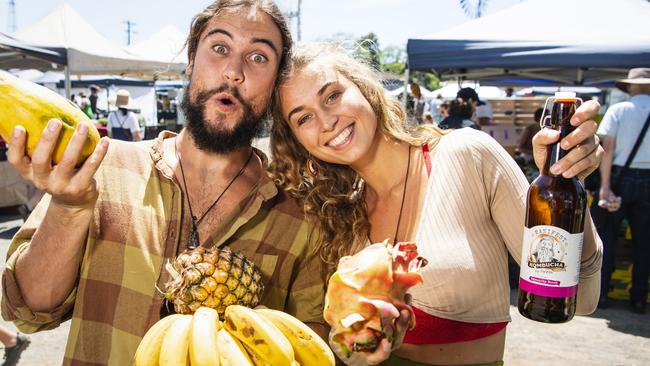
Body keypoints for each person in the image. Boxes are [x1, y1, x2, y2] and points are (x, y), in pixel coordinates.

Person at [2, 1, 328, 364]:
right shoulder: (100, 166)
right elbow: (27, 310)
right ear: (191, 60)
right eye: (219, 48)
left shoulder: (300, 216)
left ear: (275, 83)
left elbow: (312, 344)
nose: (234, 72)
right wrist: (68, 208)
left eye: (259, 58)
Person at [269, 43, 604, 365]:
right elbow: (351, 351)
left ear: (364, 88)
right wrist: (364, 350)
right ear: (298, 142)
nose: (326, 121)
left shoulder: (466, 155)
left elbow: (584, 298)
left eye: (333, 95)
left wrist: (566, 181)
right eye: (303, 118)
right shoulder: (340, 214)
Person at [592, 68, 650, 314]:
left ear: (631, 86)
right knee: (644, 244)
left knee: (607, 238)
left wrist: (605, 188)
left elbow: (608, 150)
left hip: (619, 177)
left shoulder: (618, 110)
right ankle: (638, 298)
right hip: (647, 180)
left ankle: (602, 294)